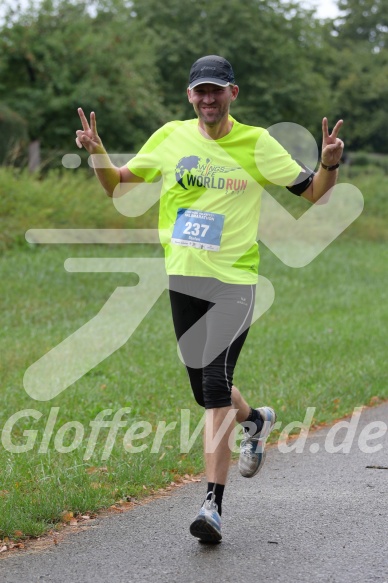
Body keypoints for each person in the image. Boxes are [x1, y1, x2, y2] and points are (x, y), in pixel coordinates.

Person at [76, 55, 344, 543]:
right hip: (183, 279)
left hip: (236, 284)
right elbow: (118, 186)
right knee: (205, 390)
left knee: (215, 389)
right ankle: (257, 420)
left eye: (216, 90)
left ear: (232, 94)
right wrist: (98, 154)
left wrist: (329, 163)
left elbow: (315, 196)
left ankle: (211, 507)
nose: (207, 99)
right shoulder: (170, 137)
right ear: (189, 96)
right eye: (200, 90)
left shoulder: (258, 143)